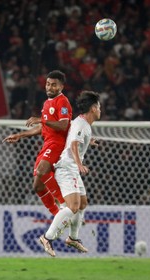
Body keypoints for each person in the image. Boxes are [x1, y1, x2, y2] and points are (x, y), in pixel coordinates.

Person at [38, 90, 101, 257]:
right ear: (93, 108)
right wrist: (80, 164)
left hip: (71, 168)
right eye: (99, 107)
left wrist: (90, 141)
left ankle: (73, 238)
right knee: (72, 206)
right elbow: (73, 144)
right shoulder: (82, 124)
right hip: (67, 168)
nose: (100, 110)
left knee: (82, 204)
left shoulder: (81, 124)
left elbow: (73, 136)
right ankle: (47, 237)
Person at [3, 70, 72, 216]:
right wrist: (20, 135)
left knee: (42, 170)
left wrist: (42, 119)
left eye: (54, 85)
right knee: (37, 186)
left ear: (61, 87)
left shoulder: (63, 101)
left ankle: (66, 207)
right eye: (48, 84)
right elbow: (43, 126)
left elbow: (63, 125)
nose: (49, 87)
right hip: (47, 143)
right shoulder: (47, 102)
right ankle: (57, 215)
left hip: (57, 143)